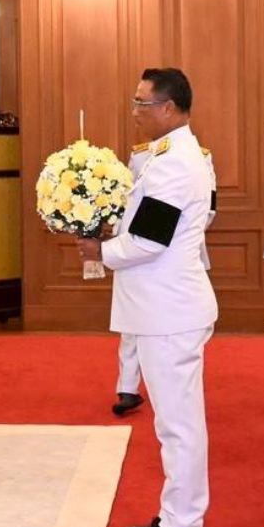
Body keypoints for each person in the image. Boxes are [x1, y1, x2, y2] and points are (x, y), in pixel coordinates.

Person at [82, 68, 217, 527]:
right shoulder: (166, 156)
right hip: (162, 308)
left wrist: (100, 252)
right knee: (172, 424)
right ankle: (175, 514)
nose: (135, 111)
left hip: (169, 310)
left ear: (168, 108)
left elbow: (149, 240)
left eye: (142, 103)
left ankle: (183, 526)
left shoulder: (175, 165)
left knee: (179, 426)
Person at [111, 138, 154, 417]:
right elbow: (125, 201)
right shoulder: (140, 155)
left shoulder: (196, 157)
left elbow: (208, 208)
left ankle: (165, 385)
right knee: (130, 324)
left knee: (165, 327)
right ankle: (128, 388)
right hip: (132, 247)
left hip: (169, 255)